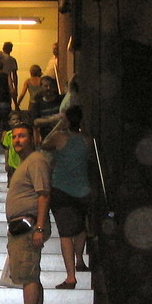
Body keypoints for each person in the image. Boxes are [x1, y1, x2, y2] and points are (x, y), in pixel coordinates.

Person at [2, 120, 51, 304]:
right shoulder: (25, 162)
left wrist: (39, 227)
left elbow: (43, 194)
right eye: (14, 137)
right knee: (31, 272)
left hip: (28, 225)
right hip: (23, 225)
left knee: (28, 273)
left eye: (22, 136)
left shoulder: (36, 160)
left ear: (33, 138)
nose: (17, 140)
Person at [44, 105, 93, 288]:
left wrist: (59, 125)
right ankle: (80, 259)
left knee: (65, 233)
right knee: (80, 228)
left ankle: (71, 276)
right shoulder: (87, 140)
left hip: (61, 189)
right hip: (83, 189)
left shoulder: (59, 137)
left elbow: (44, 144)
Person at [0, 41, 19, 111]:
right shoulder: (12, 60)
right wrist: (15, 87)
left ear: (3, 48)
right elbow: (14, 75)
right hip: (6, 80)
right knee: (6, 98)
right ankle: (13, 107)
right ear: (11, 49)